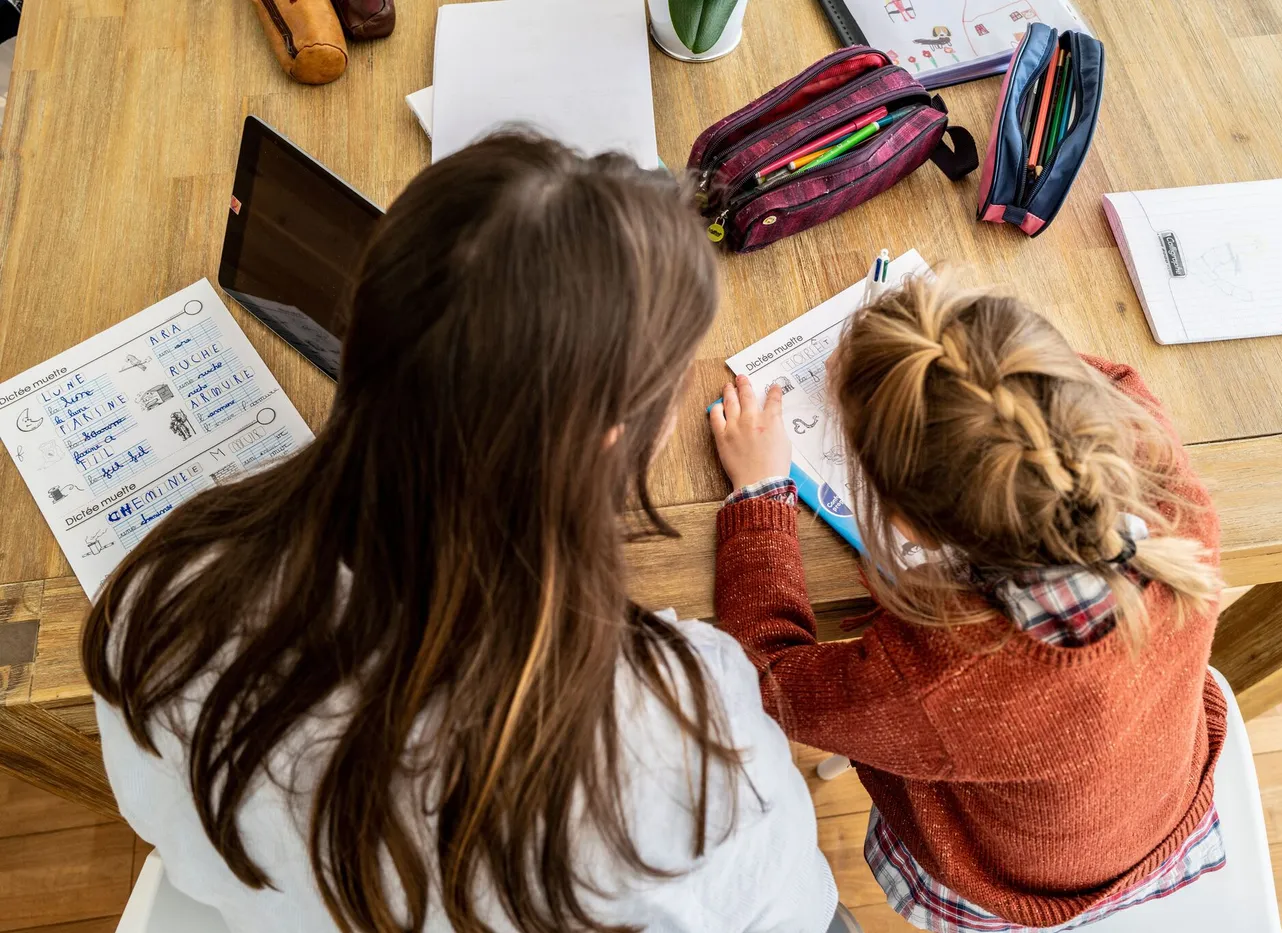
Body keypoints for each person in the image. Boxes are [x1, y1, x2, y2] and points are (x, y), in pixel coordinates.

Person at [84, 133, 844, 933]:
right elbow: (790, 910)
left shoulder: (163, 590)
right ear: (608, 444)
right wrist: (762, 493)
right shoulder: (692, 742)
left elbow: (158, 815)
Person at [707, 274, 1226, 931]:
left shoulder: (945, 679)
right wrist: (929, 370)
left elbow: (771, 681)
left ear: (911, 529)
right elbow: (1105, 381)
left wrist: (759, 493)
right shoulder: (1171, 490)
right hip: (1167, 802)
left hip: (1010, 884)